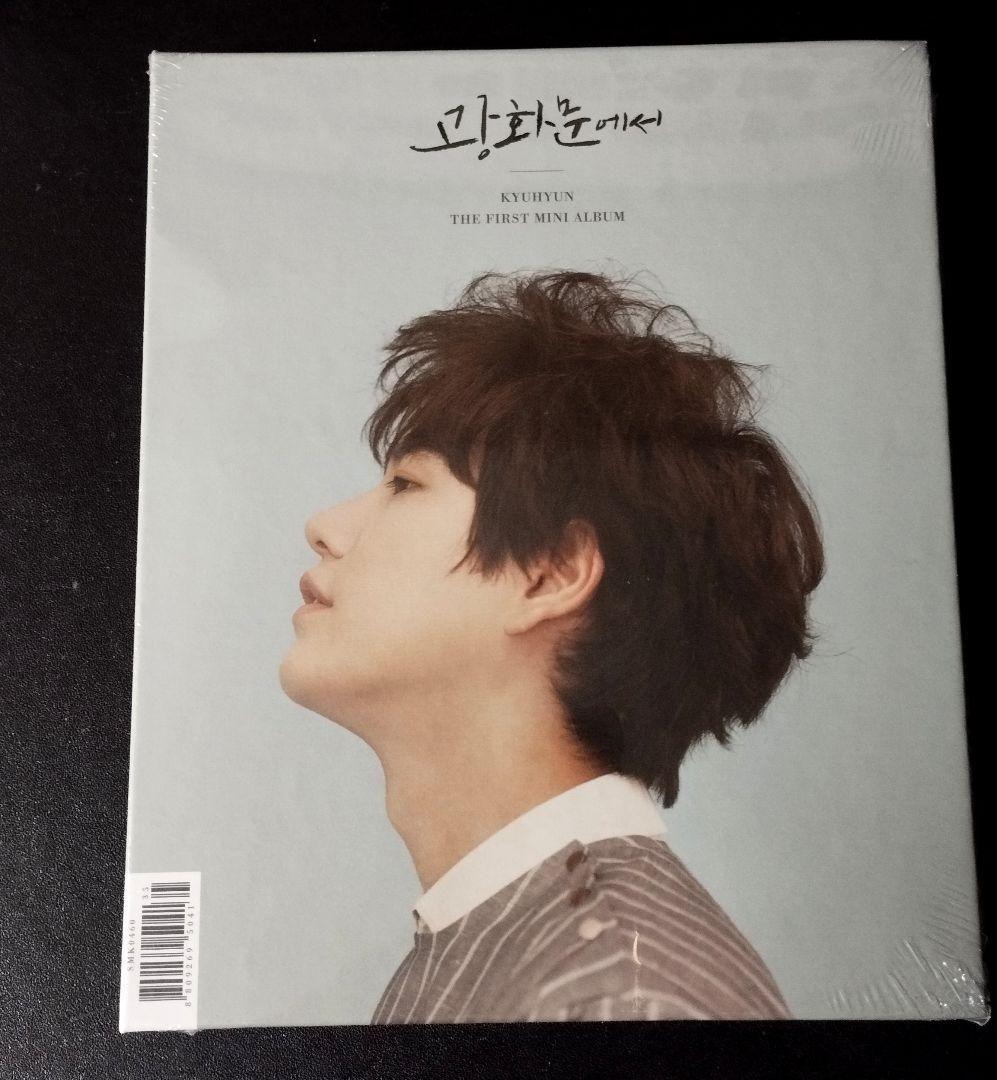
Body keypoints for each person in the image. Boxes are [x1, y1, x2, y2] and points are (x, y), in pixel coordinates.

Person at [279, 269, 824, 1022]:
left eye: (406, 484)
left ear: (552, 573)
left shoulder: (623, 1002)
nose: (325, 526)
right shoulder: (518, 944)